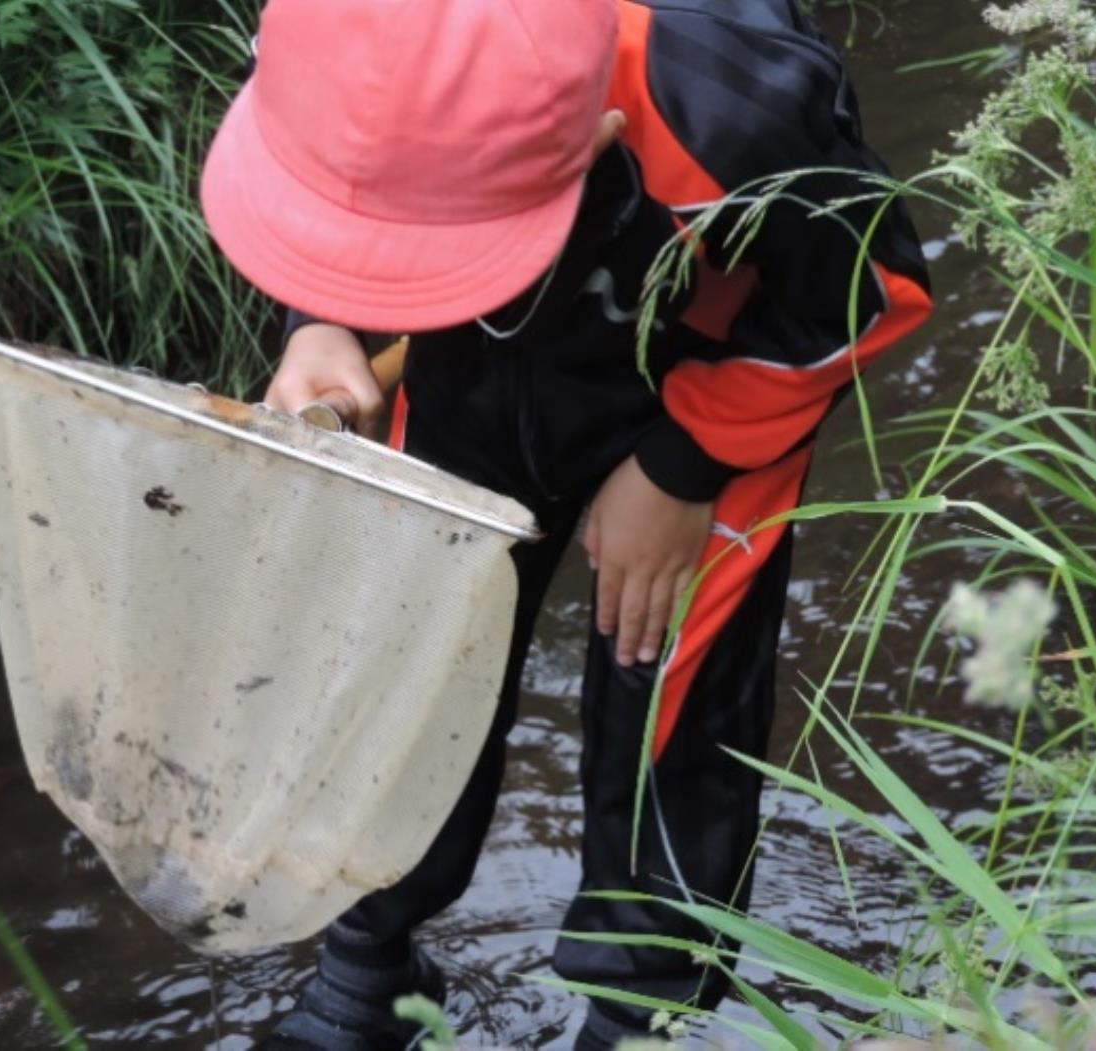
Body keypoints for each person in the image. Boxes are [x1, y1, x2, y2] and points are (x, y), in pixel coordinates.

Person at [198, 0, 931, 1047]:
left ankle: (638, 1016)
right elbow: (320, 167)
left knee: (670, 706)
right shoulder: (330, 28)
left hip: (712, 383)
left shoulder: (736, 109)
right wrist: (321, 319)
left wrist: (681, 463)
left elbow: (872, 292)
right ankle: (369, 961)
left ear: (593, 142)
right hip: (479, 361)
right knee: (408, 652)